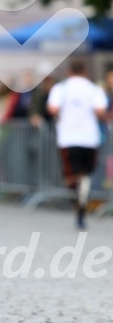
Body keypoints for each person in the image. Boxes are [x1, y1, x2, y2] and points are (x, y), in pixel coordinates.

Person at [47, 60, 108, 229]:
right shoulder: (94, 89)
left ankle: (78, 201)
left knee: (71, 175)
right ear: (85, 71)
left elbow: (52, 108)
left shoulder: (61, 88)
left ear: (69, 72)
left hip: (68, 137)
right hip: (89, 138)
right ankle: (82, 198)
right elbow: (101, 111)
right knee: (85, 173)